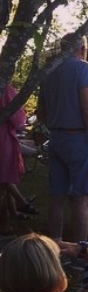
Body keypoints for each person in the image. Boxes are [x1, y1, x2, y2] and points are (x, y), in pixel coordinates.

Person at [36, 33, 88, 243]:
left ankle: (55, 245)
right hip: (78, 139)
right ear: (82, 48)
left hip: (56, 138)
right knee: (82, 198)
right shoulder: (83, 68)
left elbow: (41, 111)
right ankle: (79, 251)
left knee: (57, 197)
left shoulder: (48, 71)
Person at [0, 83, 27, 235]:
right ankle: (5, 222)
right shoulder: (5, 89)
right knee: (3, 182)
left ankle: (6, 222)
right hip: (3, 138)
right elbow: (18, 119)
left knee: (3, 184)